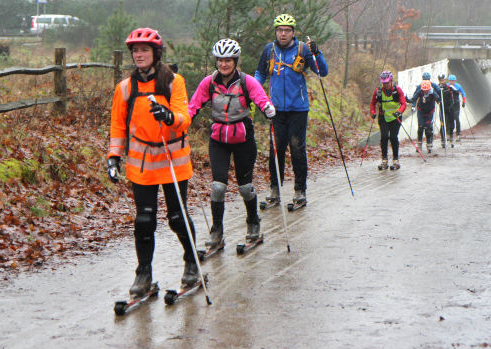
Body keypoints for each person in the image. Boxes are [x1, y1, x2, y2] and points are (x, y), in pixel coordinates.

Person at [106, 28, 196, 298]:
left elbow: (184, 116)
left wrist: (169, 117)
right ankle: (143, 273)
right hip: (141, 164)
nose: (139, 55)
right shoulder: (124, 88)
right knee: (144, 220)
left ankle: (191, 262)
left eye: (144, 50)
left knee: (177, 218)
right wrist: (113, 157)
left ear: (156, 54)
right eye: (135, 50)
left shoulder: (173, 82)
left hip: (173, 161)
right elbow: (117, 126)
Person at [188, 39, 276, 247]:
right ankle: (217, 231)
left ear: (235, 61)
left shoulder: (246, 82)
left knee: (245, 188)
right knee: (218, 187)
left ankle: (253, 222)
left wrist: (268, 109)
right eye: (220, 60)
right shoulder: (208, 83)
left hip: (243, 139)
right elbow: (193, 106)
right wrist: (182, 122)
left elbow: (261, 99)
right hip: (218, 140)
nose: (223, 64)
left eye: (228, 60)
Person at [254, 14, 329, 206]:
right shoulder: (269, 50)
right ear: (276, 32)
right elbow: (261, 73)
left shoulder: (303, 49)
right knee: (276, 150)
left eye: (287, 30)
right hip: (276, 110)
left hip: (298, 109)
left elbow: (322, 71)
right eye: (280, 30)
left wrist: (317, 53)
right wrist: (253, 90)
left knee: (297, 149)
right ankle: (274, 190)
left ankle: (300, 191)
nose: (283, 34)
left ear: (293, 32)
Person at [369, 70, 407, 170]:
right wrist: (373, 112)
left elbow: (403, 103)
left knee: (393, 137)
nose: (385, 85)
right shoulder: (378, 91)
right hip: (383, 117)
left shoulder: (397, 90)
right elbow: (373, 103)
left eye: (387, 83)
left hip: (395, 117)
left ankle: (395, 160)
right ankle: (384, 160)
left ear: (391, 81)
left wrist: (399, 111)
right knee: (384, 136)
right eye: (384, 83)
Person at [407, 72, 441, 153]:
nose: (425, 91)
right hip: (421, 110)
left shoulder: (433, 89)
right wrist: (409, 101)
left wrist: (439, 99)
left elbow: (438, 96)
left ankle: (429, 143)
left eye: (427, 90)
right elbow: (414, 98)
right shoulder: (420, 89)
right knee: (421, 127)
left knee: (428, 127)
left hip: (430, 111)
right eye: (424, 90)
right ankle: (419, 143)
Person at [441, 74, 466, 143]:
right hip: (449, 104)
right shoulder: (447, 86)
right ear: (448, 80)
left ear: (455, 81)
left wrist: (464, 102)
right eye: (450, 81)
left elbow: (463, 94)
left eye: (453, 81)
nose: (452, 82)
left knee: (456, 118)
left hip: (456, 104)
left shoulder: (458, 86)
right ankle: (448, 133)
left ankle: (458, 134)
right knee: (448, 119)